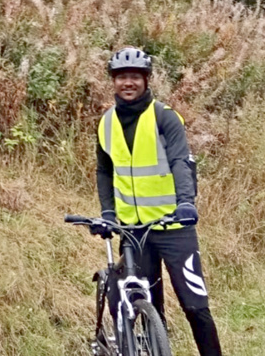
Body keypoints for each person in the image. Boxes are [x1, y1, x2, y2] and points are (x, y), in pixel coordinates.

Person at [93, 47, 222, 355]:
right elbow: (104, 171)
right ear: (113, 81)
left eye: (135, 77)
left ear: (146, 80)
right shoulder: (105, 123)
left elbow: (180, 161)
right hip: (134, 232)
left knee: (195, 306)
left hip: (173, 225)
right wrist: (108, 212)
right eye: (122, 77)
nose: (128, 83)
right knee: (151, 305)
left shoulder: (165, 118)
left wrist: (186, 202)